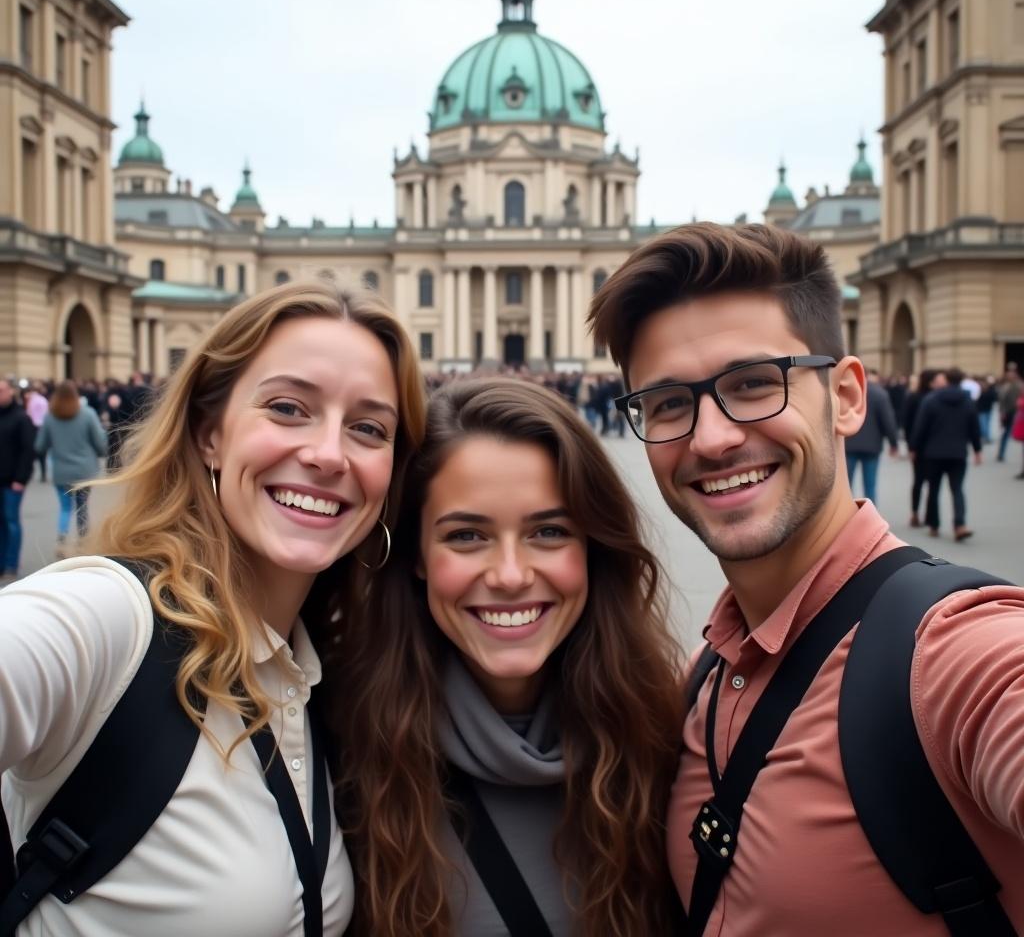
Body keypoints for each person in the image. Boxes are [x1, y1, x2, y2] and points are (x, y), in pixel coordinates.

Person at [589, 222, 1024, 935]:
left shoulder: (955, 655)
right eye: (668, 403)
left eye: (754, 384)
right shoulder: (703, 677)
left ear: (848, 397)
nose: (712, 437)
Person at [0, 283, 426, 934]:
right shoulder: (110, 617)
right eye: (288, 408)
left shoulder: (317, 670)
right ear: (208, 434)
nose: (329, 453)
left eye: (369, 428)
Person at [334, 377, 682, 937]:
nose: (512, 576)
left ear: (593, 547)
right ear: (417, 554)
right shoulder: (337, 748)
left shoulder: (669, 736)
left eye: (548, 531)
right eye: (467, 536)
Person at [34, 381, 108, 556]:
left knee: (65, 507)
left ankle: (61, 540)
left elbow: (40, 446)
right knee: (82, 507)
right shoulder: (88, 414)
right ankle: (82, 542)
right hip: (84, 470)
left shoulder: (50, 417)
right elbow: (100, 443)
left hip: (61, 470)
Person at [910, 368, 982, 541]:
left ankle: (934, 525)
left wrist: (914, 447)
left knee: (933, 489)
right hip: (958, 453)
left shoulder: (931, 399)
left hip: (933, 453)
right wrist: (977, 449)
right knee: (957, 489)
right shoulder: (968, 401)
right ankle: (960, 524)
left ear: (946, 380)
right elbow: (974, 427)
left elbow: (921, 427)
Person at [844, 367, 898, 505]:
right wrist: (893, 443)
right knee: (870, 485)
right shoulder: (880, 394)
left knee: (845, 485)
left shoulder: (846, 392)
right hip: (872, 445)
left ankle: (845, 516)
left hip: (849, 443)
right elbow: (888, 421)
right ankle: (870, 517)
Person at [0, 378, 35, 581]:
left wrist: (21, 478)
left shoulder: (21, 418)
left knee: (11, 521)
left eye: (2, 391)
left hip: (12, 480)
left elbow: (27, 451)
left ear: (11, 392)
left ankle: (11, 564)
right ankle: (2, 562)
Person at [903, 368, 944, 527]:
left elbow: (907, 424)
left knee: (919, 481)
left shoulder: (914, 397)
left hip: (918, 446)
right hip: (928, 446)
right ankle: (925, 515)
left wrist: (910, 445)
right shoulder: (930, 398)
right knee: (930, 483)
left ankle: (915, 513)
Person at [997, 364, 1023, 462]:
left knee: (1007, 433)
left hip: (1016, 412)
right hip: (1009, 412)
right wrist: (1002, 413)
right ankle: (1001, 453)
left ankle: (1001, 453)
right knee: (1005, 433)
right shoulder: (1006, 387)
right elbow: (1002, 401)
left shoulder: (1018, 385)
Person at [24, 385, 49, 482]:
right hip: (42, 426)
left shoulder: (31, 401)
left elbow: (28, 414)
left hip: (33, 427)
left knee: (32, 450)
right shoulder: (43, 400)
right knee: (43, 453)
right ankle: (43, 473)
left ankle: (31, 472)